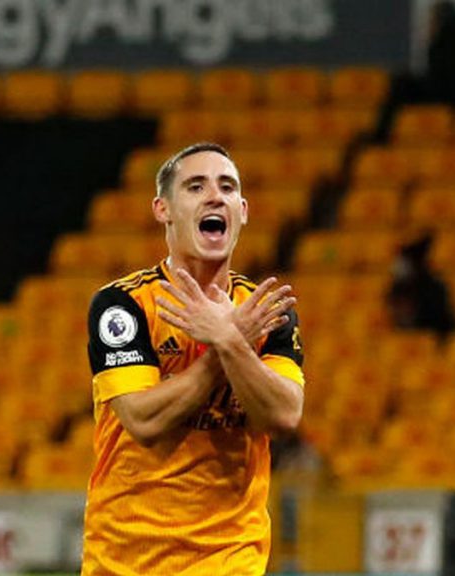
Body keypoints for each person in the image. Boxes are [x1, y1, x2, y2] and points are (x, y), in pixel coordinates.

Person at [81, 142, 305, 575]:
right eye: (195, 186)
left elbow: (282, 416)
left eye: (226, 187)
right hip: (125, 560)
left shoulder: (266, 312)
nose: (213, 196)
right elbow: (144, 420)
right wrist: (230, 342)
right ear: (163, 209)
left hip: (230, 559)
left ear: (242, 210)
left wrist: (226, 337)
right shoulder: (123, 305)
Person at [386, 233, 455, 339]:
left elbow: (441, 321)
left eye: (403, 261)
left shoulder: (434, 286)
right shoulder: (398, 287)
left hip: (433, 339)